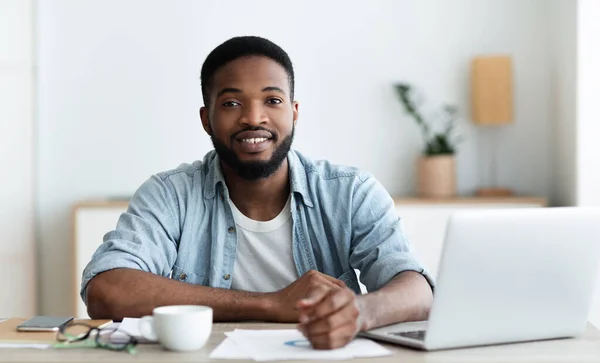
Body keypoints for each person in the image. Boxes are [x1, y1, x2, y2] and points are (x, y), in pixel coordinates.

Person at [82, 35, 434, 350]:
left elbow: (417, 289)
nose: (254, 118)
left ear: (294, 113)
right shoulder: (170, 195)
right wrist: (270, 303)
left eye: (273, 100)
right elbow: (107, 290)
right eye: (232, 104)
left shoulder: (350, 192)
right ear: (207, 119)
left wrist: (360, 311)